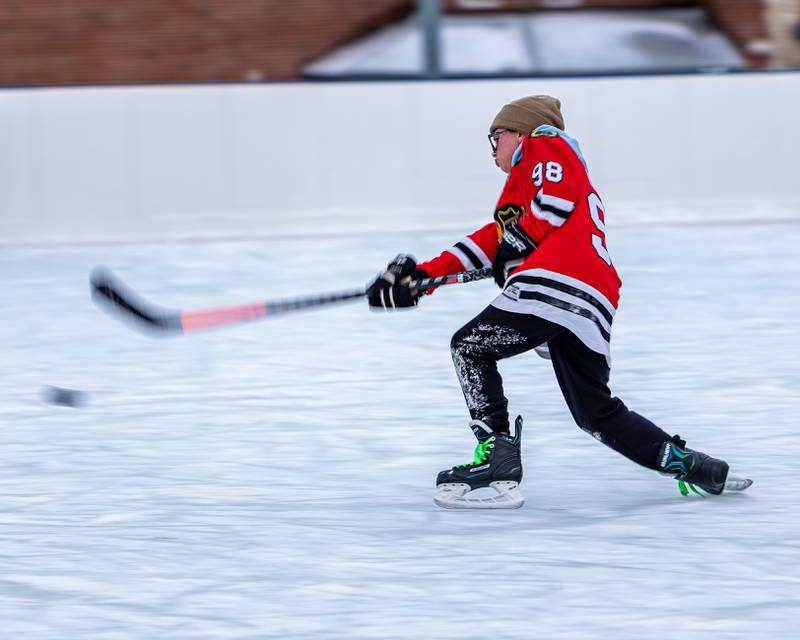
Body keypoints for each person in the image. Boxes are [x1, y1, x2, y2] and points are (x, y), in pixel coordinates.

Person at [367, 96, 751, 509]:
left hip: (556, 283)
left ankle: (497, 457)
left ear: (519, 131)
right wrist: (422, 277)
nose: (494, 148)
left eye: (496, 137)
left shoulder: (545, 141)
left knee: (470, 347)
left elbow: (554, 197)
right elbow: (492, 241)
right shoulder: (523, 191)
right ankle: (696, 467)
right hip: (592, 300)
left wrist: (519, 240)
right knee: (596, 414)